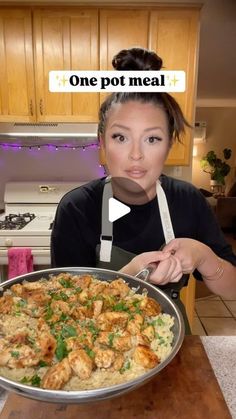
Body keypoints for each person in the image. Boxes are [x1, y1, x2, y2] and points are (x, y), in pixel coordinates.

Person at [51, 47, 236, 333]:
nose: (136, 154)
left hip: (172, 344)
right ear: (102, 142)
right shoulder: (77, 208)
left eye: (152, 139)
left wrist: (203, 256)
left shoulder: (188, 201)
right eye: (121, 137)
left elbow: (232, 287)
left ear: (169, 145)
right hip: (97, 354)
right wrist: (129, 276)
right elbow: (65, 311)